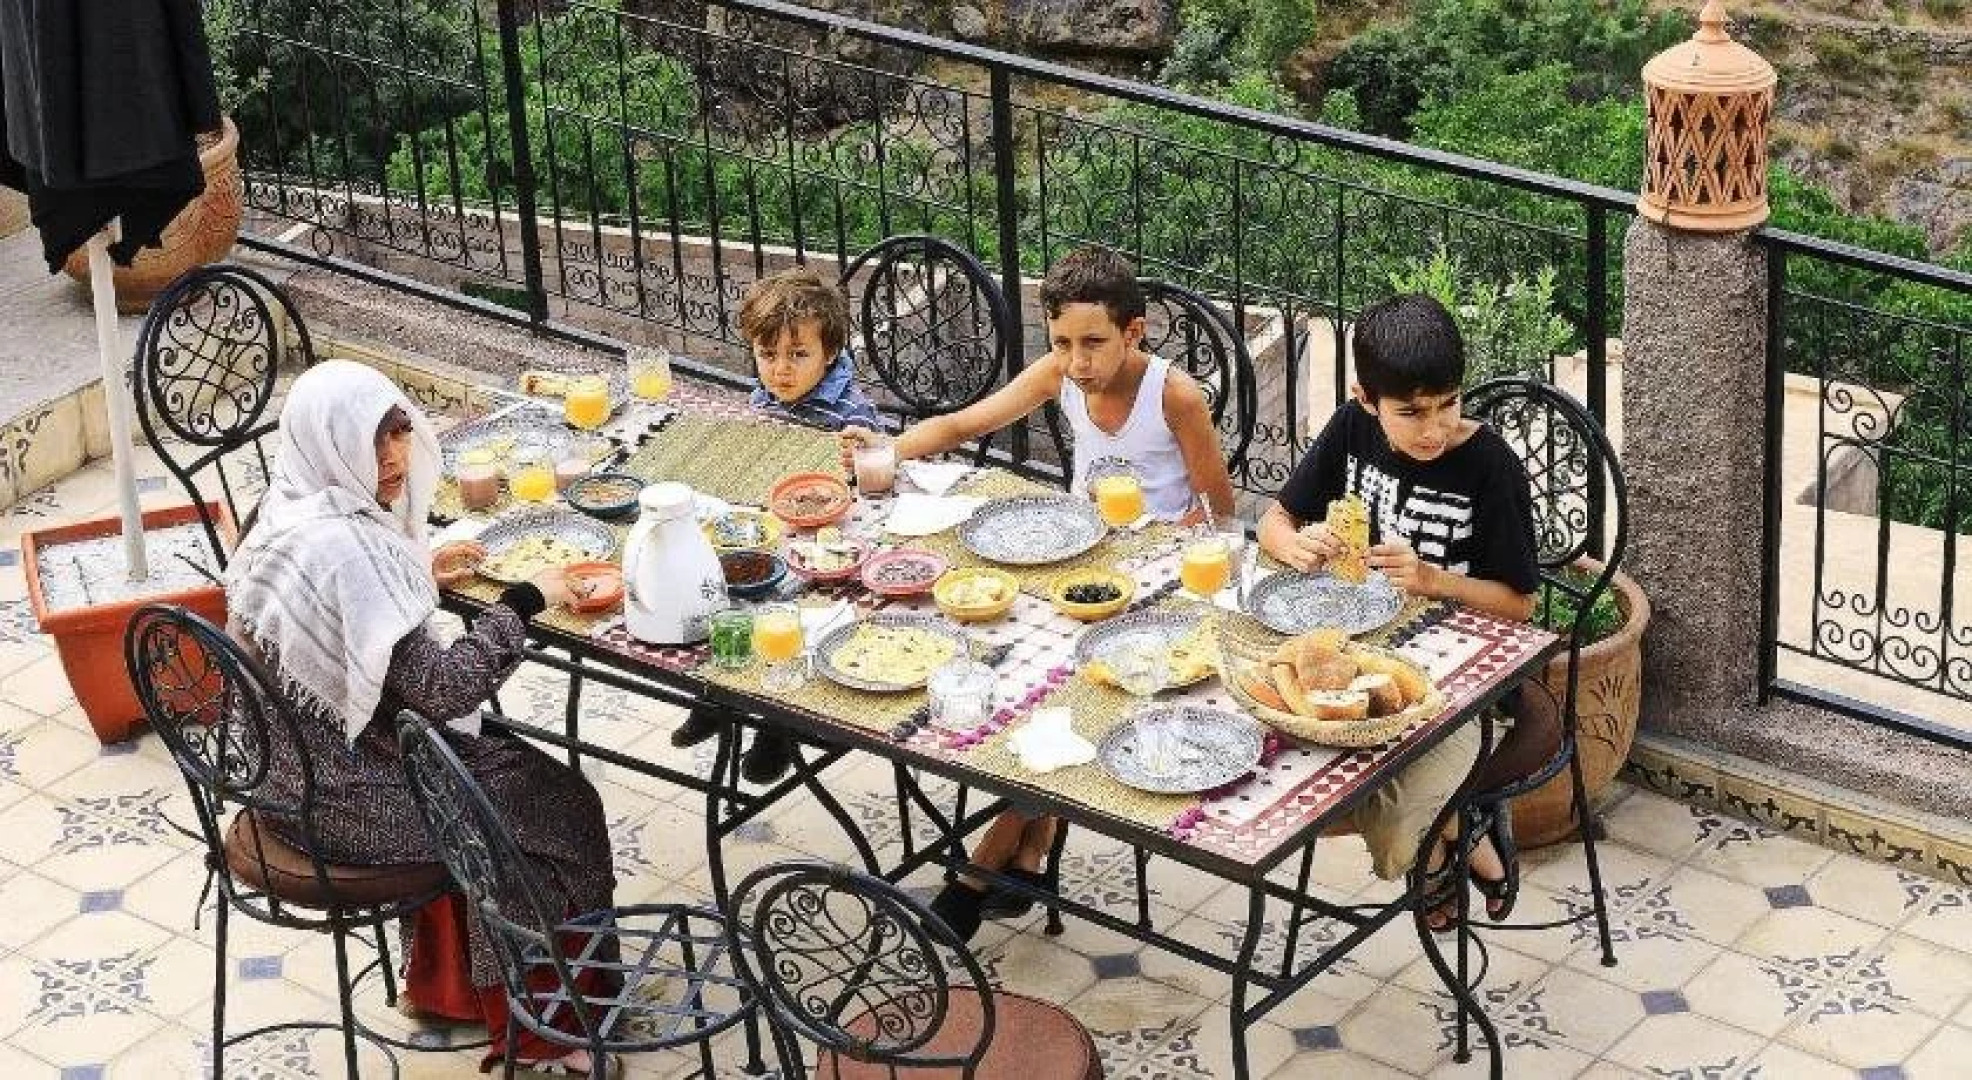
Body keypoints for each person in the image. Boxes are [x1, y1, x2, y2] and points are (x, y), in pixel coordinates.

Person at [225, 360, 619, 1076]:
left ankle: (452, 992)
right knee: (554, 805)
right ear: (327, 443)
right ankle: (546, 1036)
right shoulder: (346, 551)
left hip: (280, 780)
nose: (394, 457)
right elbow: (443, 689)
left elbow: (341, 623)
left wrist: (415, 576)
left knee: (499, 774)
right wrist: (527, 599)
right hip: (345, 803)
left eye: (398, 432)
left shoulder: (285, 509)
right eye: (370, 442)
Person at [839, 246, 1238, 940]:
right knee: (1004, 672)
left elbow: (1219, 511)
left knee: (1070, 699)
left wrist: (1161, 549)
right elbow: (966, 425)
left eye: (1094, 343)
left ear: (1133, 333)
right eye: (1063, 344)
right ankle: (1030, 851)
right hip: (1078, 562)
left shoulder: (1174, 396)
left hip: (1158, 577)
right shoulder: (1060, 375)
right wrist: (886, 451)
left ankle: (981, 871)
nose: (1078, 361)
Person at [1256, 292, 1557, 927]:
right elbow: (1273, 523)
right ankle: (1457, 831)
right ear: (1368, 400)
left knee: (1389, 813)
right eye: (1412, 412)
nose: (1434, 428)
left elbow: (1520, 605)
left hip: (1463, 684)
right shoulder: (1351, 430)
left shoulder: (1489, 466)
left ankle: (1446, 841)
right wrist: (1296, 544)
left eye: (1448, 404)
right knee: (1277, 767)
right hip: (1365, 663)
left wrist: (1432, 579)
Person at [665, 266, 882, 782]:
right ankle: (716, 697)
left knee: (787, 617)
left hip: (829, 547)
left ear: (829, 354)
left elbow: (874, 481)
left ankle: (778, 728)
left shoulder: (848, 412)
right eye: (768, 356)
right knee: (717, 589)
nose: (780, 369)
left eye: (797, 355)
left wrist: (863, 454)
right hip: (772, 529)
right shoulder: (767, 396)